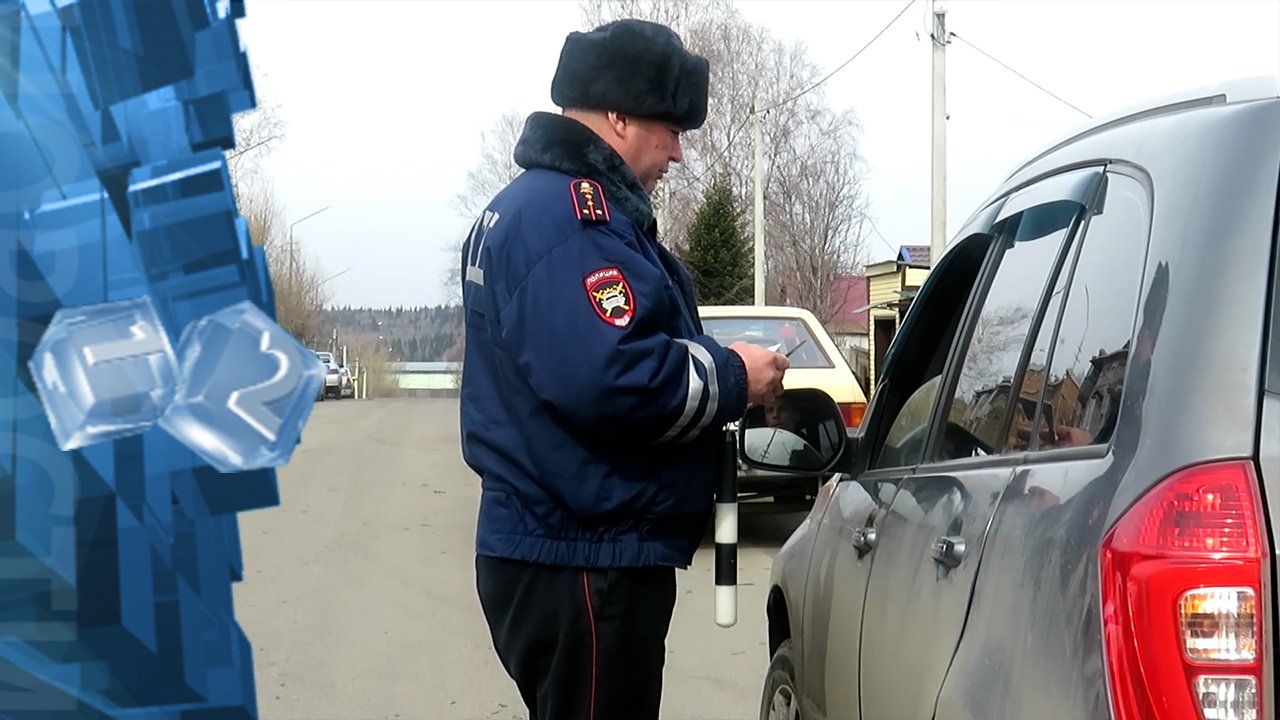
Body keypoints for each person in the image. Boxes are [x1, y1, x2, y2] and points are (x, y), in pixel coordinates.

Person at [457, 18, 790, 720]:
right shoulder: (572, 221)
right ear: (617, 117)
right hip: (582, 557)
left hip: (563, 545)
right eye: (668, 127)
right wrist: (736, 376)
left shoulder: (531, 210)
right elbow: (616, 378)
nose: (677, 151)